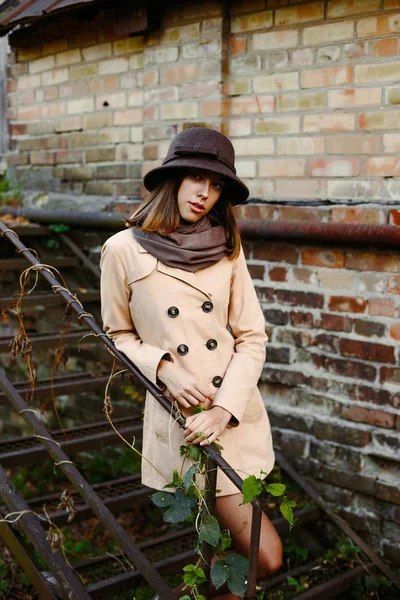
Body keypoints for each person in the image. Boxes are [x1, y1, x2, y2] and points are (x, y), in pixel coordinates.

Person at [100, 127, 283, 599]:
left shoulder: (227, 247)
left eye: (217, 184)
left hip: (232, 417)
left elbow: (252, 336)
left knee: (252, 556)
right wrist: (164, 367)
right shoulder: (123, 249)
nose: (205, 193)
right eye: (196, 178)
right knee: (259, 555)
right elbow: (118, 334)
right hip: (181, 420)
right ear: (174, 178)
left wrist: (225, 408)